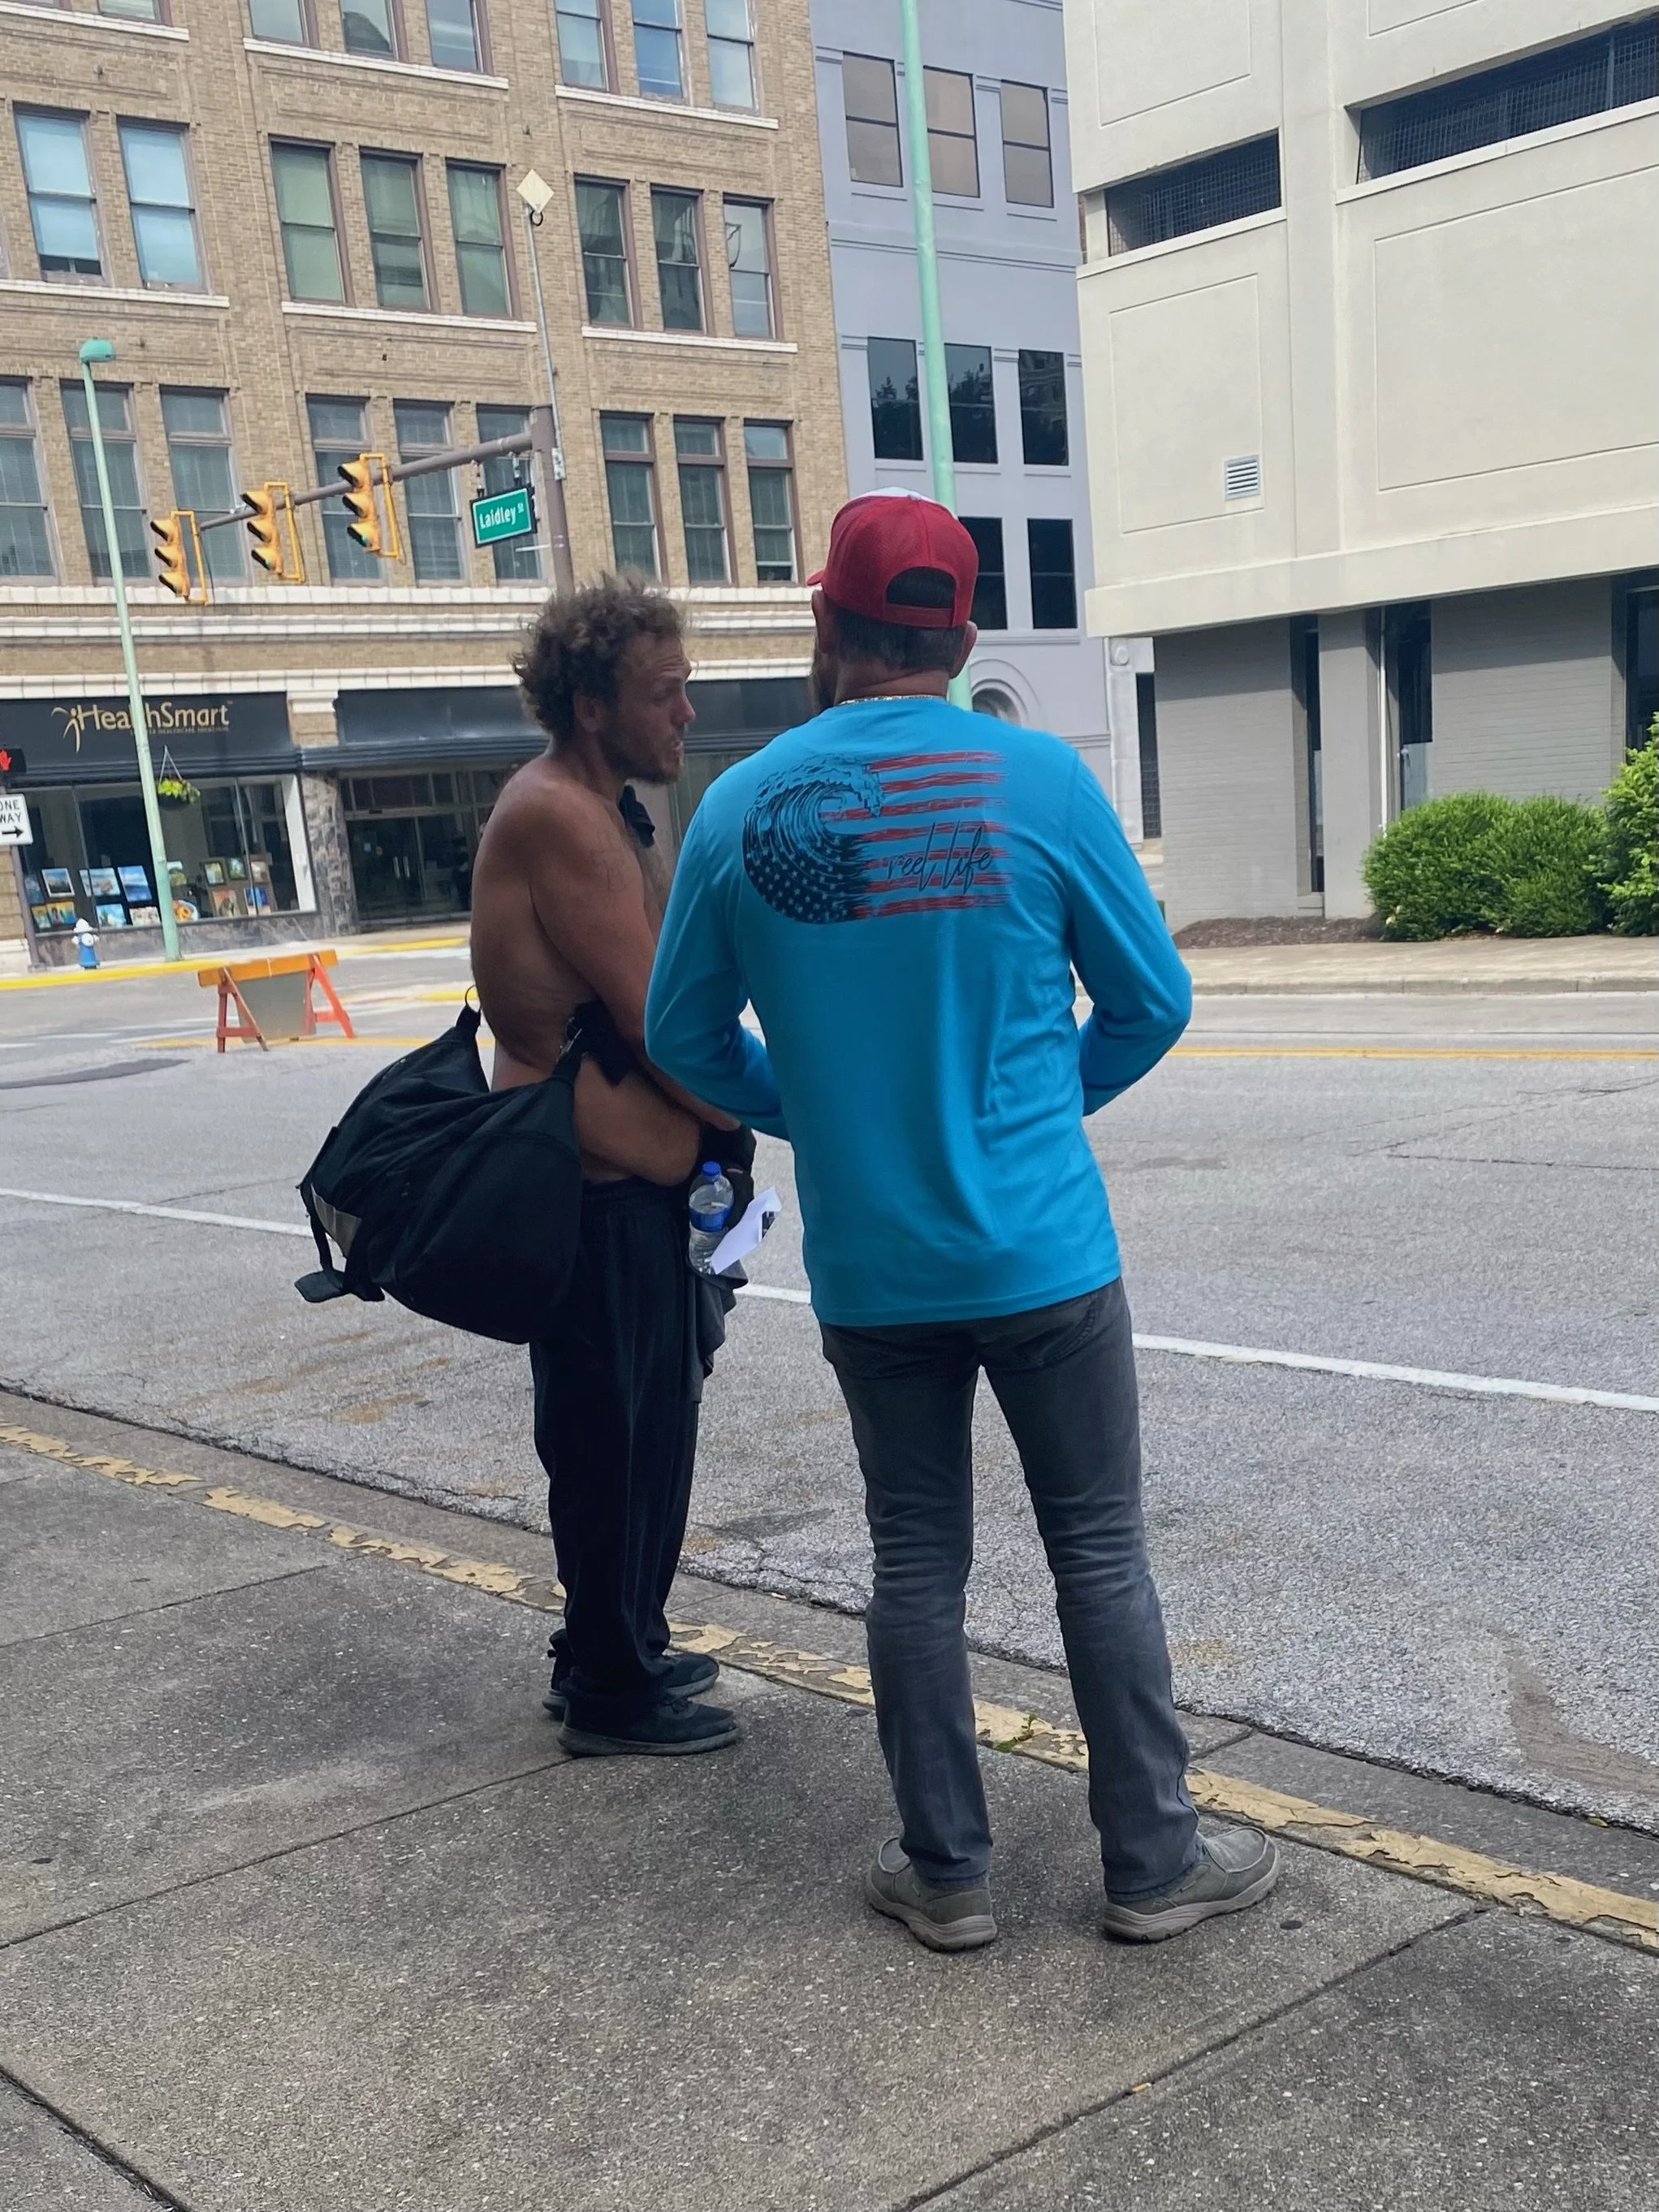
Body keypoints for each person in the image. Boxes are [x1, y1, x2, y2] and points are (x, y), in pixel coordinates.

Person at [645, 491, 1280, 1945]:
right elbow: (1151, 1002)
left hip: (878, 1269)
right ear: (962, 633)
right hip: (1045, 1249)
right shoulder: (1041, 784)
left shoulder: (742, 806)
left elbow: (685, 1042)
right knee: (1098, 1550)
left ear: (828, 626)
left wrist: (824, 1108)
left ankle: (946, 1875)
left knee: (914, 1556)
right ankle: (1150, 1866)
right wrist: (1037, 1103)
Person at [471, 576, 750, 1758]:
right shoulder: (561, 817)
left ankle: (619, 1635)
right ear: (593, 705)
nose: (684, 714)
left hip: (639, 1194)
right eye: (665, 693)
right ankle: (607, 1688)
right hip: (594, 1200)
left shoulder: (615, 808)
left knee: (645, 1429)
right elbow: (659, 1026)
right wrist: (754, 1120)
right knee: (612, 1440)